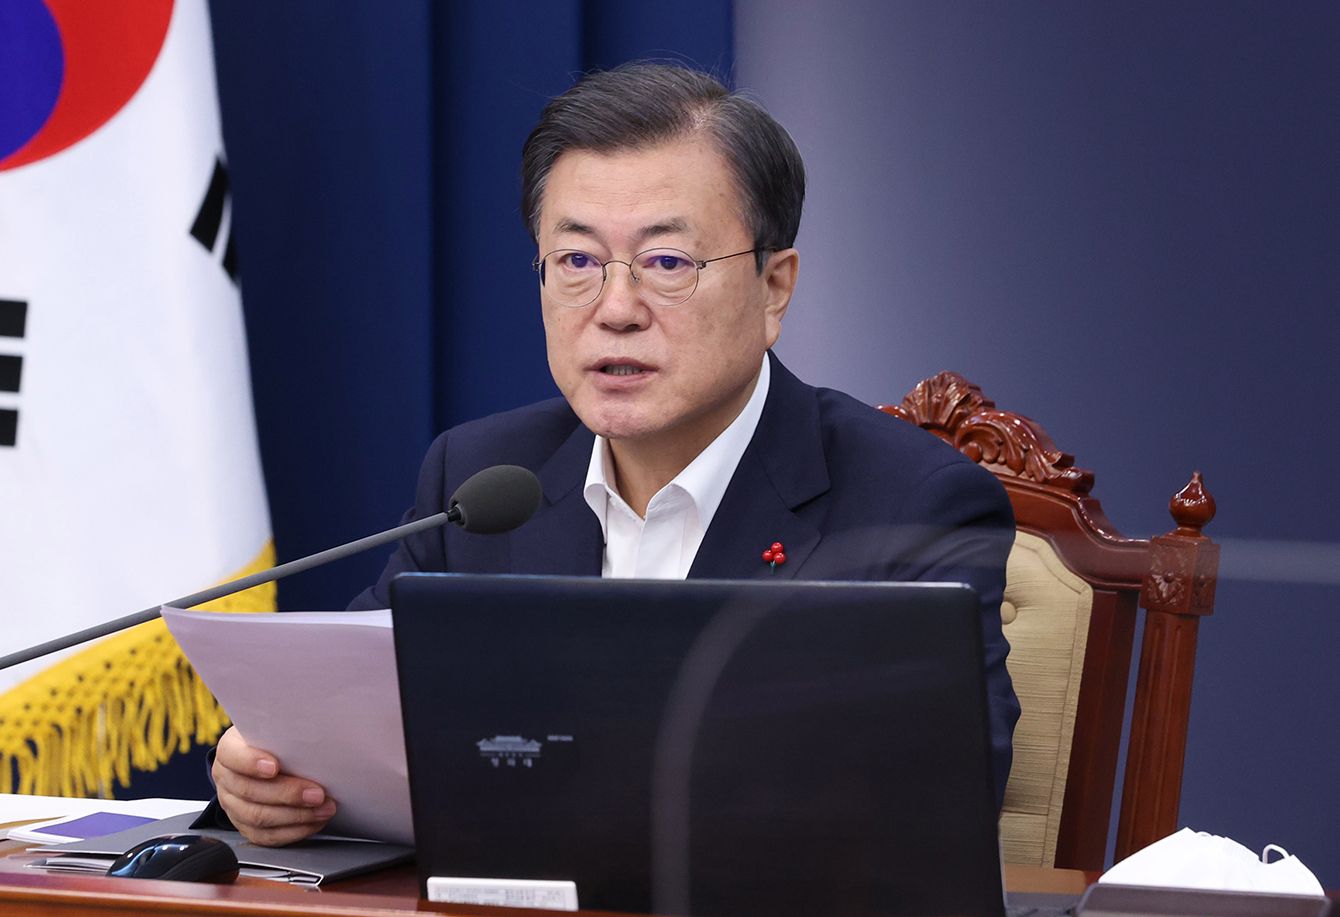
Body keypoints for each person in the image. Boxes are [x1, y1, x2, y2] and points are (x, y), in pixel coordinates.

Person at [211, 62, 1020, 847]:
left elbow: (937, 802)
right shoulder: (482, 481)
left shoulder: (908, 502)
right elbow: (342, 718)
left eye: (667, 263)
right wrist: (272, 775)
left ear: (774, 287)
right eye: (577, 262)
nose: (616, 308)